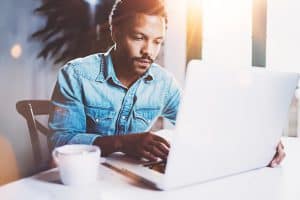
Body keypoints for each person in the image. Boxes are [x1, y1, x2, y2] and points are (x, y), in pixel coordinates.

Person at [49, 0, 285, 167]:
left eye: (157, 41)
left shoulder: (163, 83)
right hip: (83, 183)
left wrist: (259, 141)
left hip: (131, 181)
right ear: (115, 32)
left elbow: (203, 122)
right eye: (139, 37)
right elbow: (60, 142)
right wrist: (122, 142)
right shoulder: (77, 75)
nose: (148, 51)